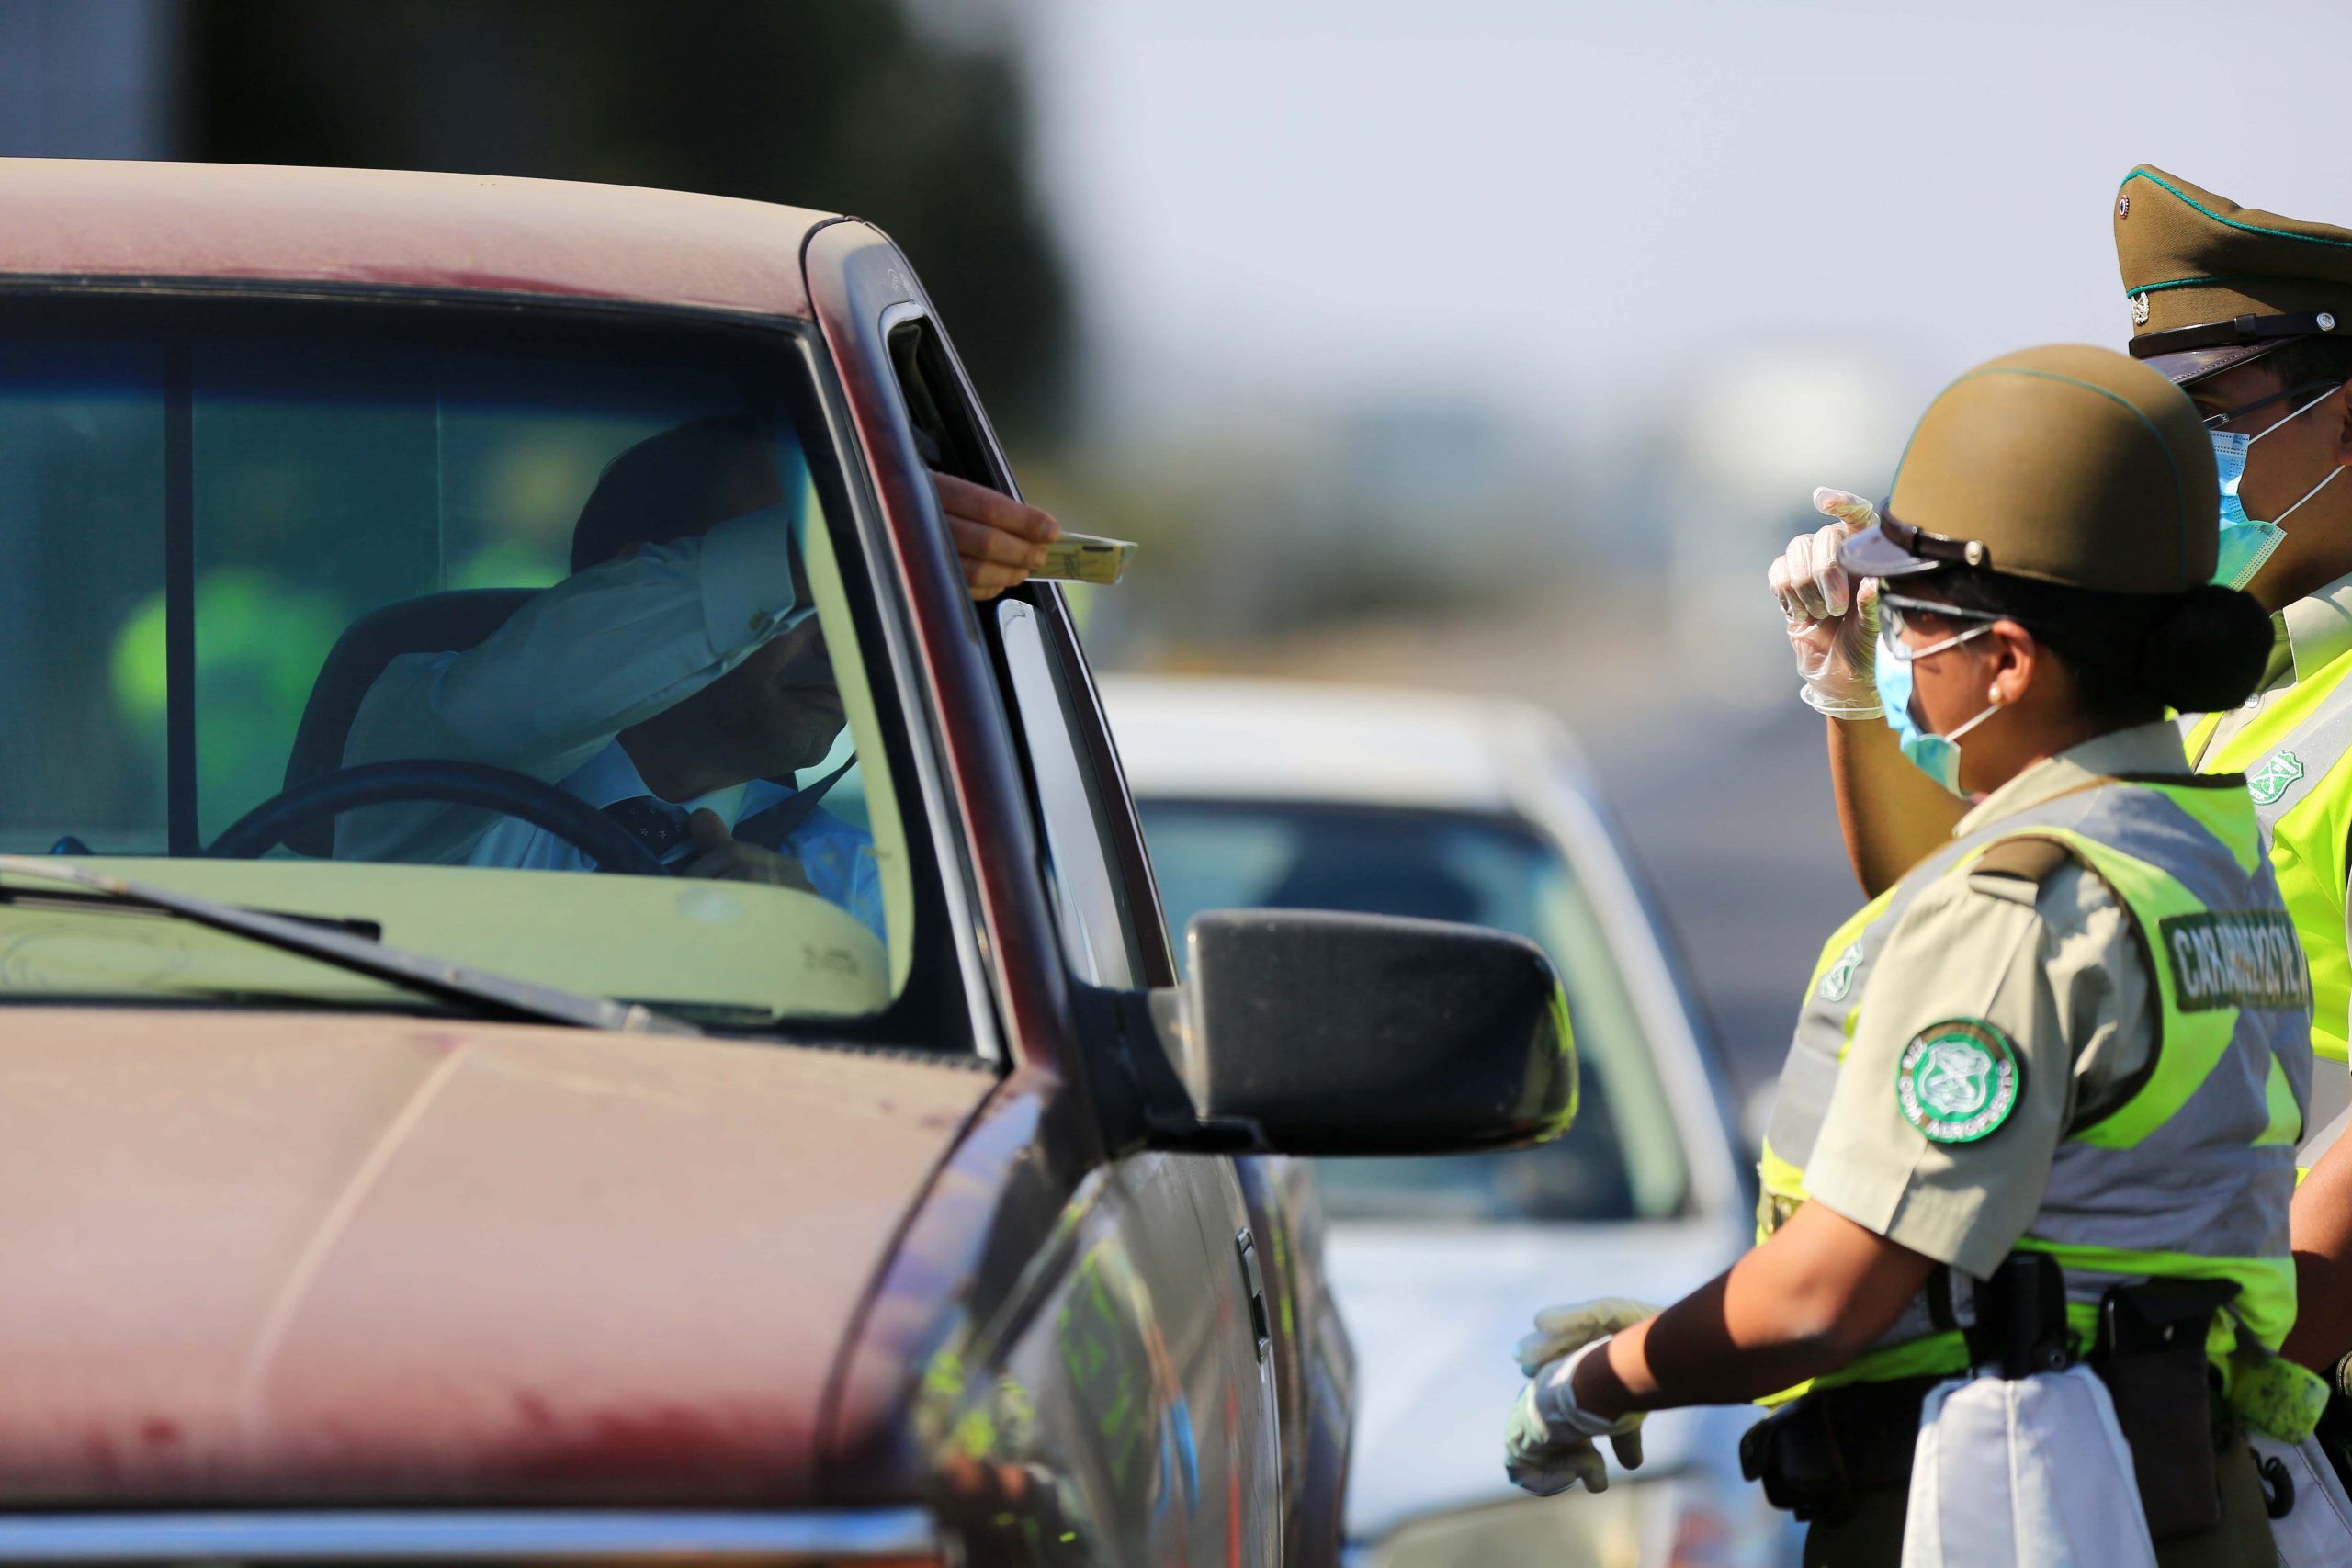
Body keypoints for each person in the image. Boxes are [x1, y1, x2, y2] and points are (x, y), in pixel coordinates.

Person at [1508, 345, 2313, 1564]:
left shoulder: (2017, 911)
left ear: (2008, 661)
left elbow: (1825, 1298)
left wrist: (1600, 1379)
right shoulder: (2204, 858)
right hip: (2177, 1495)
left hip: (2015, 1510)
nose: (1895, 647)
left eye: (1912, 617)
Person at [1772, 168, 2352, 1373]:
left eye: (2217, 415)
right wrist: (1864, 683)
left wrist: (2235, 1384)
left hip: (2271, 1381)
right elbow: (1960, 909)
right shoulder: (2215, 657)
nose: (2187, 462)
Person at [335, 414, 1058, 936]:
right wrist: (826, 542)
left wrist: (813, 973)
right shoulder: (433, 764)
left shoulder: (864, 901)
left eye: (861, 597)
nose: (845, 638)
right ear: (633, 587)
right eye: (799, 592)